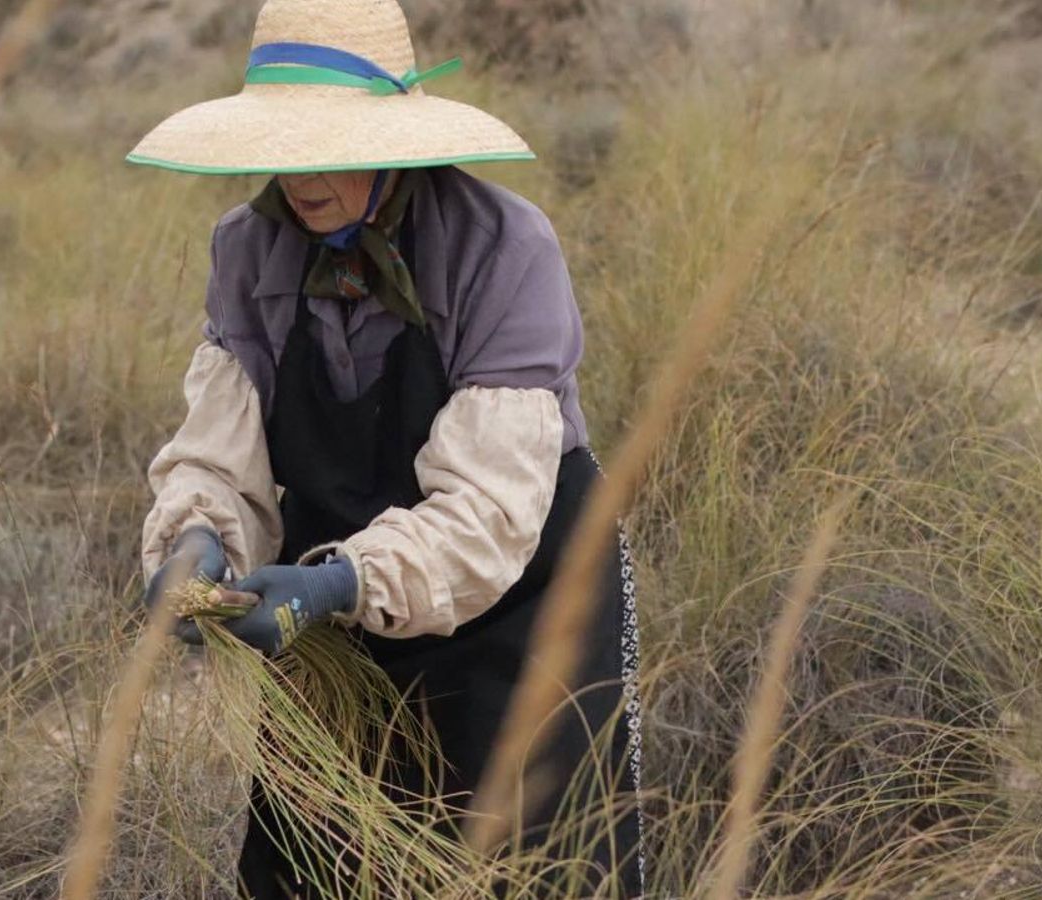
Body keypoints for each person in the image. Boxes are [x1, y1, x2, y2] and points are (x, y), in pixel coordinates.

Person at [129, 0, 643, 894]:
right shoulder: (247, 249)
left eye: (327, 146)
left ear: (390, 142)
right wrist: (198, 541)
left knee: (528, 859)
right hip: (326, 605)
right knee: (319, 856)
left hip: (520, 593)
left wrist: (340, 583)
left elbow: (488, 509)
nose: (301, 177)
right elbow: (219, 450)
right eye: (283, 147)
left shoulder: (503, 247)